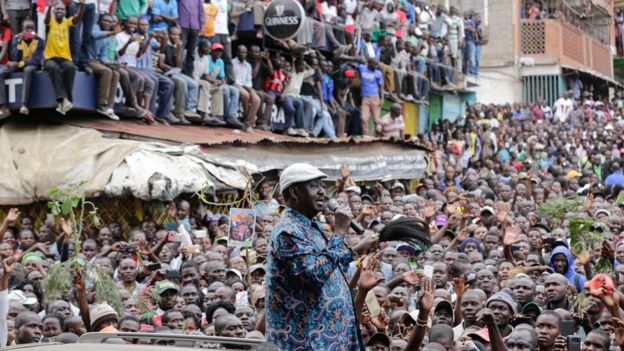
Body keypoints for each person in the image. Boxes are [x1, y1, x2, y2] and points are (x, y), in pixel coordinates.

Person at [265, 163, 377, 350]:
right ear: (294, 192)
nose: (323, 192)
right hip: (306, 341)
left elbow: (327, 263)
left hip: (330, 339)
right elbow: (314, 275)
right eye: (314, 186)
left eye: (322, 186)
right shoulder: (288, 231)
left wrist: (354, 250)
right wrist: (339, 232)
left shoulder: (310, 226)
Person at [43, 0, 85, 115]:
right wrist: (49, 8)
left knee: (71, 68)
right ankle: (65, 100)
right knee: (53, 68)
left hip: (65, 58)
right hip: (50, 58)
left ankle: (64, 103)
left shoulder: (67, 22)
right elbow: (46, 20)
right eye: (57, 9)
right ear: (54, 11)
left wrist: (82, 5)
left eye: (62, 9)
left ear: (65, 11)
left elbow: (77, 17)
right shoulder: (51, 21)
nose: (60, 11)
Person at [88, 13, 120, 120]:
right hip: (87, 60)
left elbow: (102, 56)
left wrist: (111, 63)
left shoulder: (109, 37)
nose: (107, 23)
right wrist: (112, 32)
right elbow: (95, 35)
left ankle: (109, 107)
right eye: (105, 20)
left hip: (97, 61)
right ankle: (102, 105)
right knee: (107, 72)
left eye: (110, 21)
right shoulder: (95, 27)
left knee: (115, 72)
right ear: (100, 21)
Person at [8, 19, 43, 116]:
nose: (30, 31)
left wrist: (19, 63)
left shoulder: (39, 41)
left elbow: (36, 61)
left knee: (28, 70)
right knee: (3, 70)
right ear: (22, 30)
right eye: (27, 28)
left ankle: (24, 105)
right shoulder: (16, 39)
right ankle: (2, 105)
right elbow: (16, 58)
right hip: (20, 63)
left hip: (32, 66)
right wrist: (19, 42)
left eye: (32, 28)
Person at [358, 57, 383, 136]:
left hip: (375, 97)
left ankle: (377, 137)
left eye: (377, 64)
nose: (376, 66)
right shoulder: (362, 68)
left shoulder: (378, 73)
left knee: (376, 121)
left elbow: (381, 87)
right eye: (375, 64)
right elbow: (357, 61)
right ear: (369, 63)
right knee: (364, 118)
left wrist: (382, 98)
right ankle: (365, 136)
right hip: (365, 98)